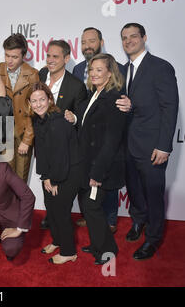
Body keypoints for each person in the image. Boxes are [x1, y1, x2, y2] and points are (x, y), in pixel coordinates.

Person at [120, 23, 179, 260]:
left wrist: (164, 145)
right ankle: (138, 222)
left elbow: (170, 107)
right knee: (134, 191)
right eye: (124, 38)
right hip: (127, 145)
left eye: (133, 36)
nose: (128, 41)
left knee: (153, 194)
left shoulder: (161, 67)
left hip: (153, 147)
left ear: (144, 37)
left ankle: (153, 239)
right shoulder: (123, 70)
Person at [73, 53, 126, 265]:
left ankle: (107, 250)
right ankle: (98, 244)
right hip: (89, 163)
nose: (93, 74)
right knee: (90, 207)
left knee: (92, 207)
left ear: (110, 73)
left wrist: (97, 173)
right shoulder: (95, 94)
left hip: (102, 167)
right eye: (91, 70)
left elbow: (111, 142)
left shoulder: (114, 98)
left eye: (99, 70)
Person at [28, 82, 81, 264]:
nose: (38, 104)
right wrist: (45, 177)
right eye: (34, 101)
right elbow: (42, 152)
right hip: (52, 173)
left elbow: (61, 156)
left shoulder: (57, 122)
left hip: (68, 173)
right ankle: (58, 241)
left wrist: (55, 180)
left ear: (49, 99)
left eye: (42, 99)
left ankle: (69, 252)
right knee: (51, 209)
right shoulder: (39, 119)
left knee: (60, 212)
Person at [38, 39, 87, 230]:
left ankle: (60, 221)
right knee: (46, 182)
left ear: (66, 58)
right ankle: (50, 216)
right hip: (42, 142)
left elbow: (82, 117)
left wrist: (73, 117)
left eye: (55, 56)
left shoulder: (76, 86)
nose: (50, 60)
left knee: (59, 188)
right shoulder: (41, 74)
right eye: (48, 55)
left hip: (63, 148)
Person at [0, 33, 39, 181]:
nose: (9, 61)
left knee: (20, 180)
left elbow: (34, 111)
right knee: (4, 178)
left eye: (14, 57)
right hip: (3, 134)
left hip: (22, 133)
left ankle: (20, 205)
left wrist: (27, 139)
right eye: (7, 55)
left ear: (23, 55)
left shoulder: (32, 75)